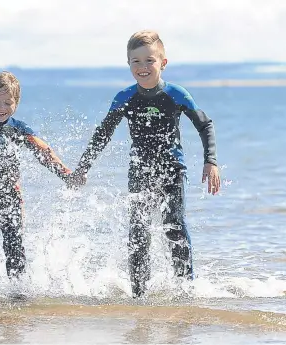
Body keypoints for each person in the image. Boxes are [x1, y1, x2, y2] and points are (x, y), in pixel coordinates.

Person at [67, 30, 221, 298]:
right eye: (135, 62)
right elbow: (102, 134)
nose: (142, 67)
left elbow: (205, 124)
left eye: (149, 60)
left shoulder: (176, 94)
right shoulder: (125, 97)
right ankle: (139, 294)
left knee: (174, 225)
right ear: (128, 65)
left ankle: (186, 290)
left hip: (172, 170)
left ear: (163, 62)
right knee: (138, 231)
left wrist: (211, 162)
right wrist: (83, 168)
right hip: (140, 171)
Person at [0, 71, 76, 295]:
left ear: (16, 103)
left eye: (8, 102)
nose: (1, 107)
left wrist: (66, 174)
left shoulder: (19, 129)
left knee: (14, 247)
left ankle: (18, 295)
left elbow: (44, 152)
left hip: (11, 198)